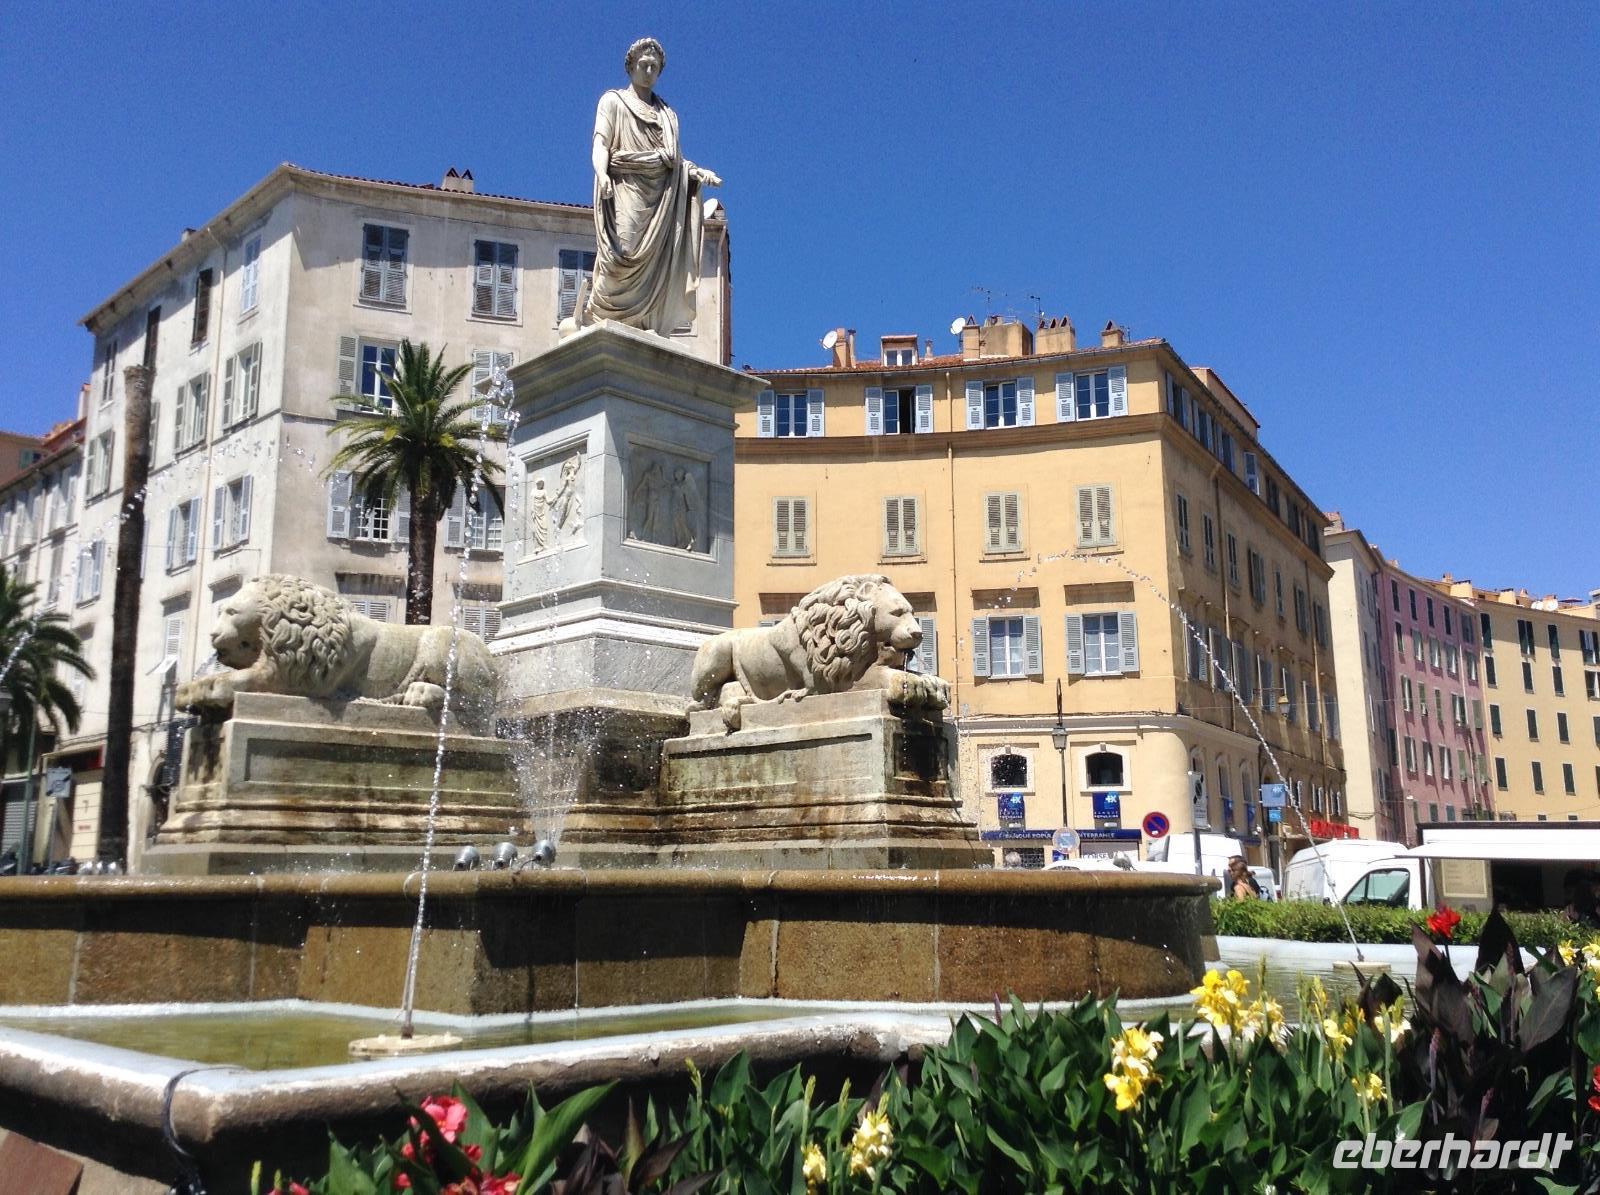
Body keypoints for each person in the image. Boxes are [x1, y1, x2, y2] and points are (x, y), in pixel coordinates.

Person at [582, 38, 722, 334]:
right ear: (630, 66)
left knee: (655, 265)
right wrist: (602, 173)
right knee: (621, 256)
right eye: (643, 65)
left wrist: (695, 173)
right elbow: (601, 144)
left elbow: (675, 161)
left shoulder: (667, 114)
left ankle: (645, 321)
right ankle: (600, 316)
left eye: (654, 67)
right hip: (626, 188)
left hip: (662, 199)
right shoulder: (613, 101)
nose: (648, 71)